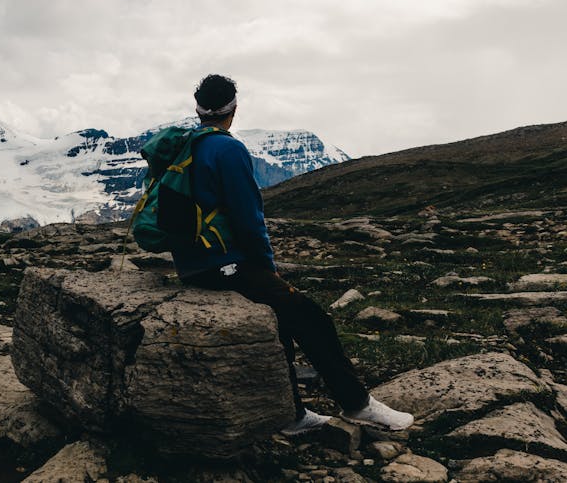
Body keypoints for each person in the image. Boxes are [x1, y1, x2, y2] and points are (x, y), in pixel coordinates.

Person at [172, 74, 414, 436]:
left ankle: (292, 413)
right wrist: (266, 267)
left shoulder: (183, 145)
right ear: (233, 109)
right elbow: (248, 217)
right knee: (310, 316)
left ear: (198, 110)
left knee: (281, 321)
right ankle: (357, 404)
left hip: (191, 263)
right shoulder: (228, 149)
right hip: (224, 263)